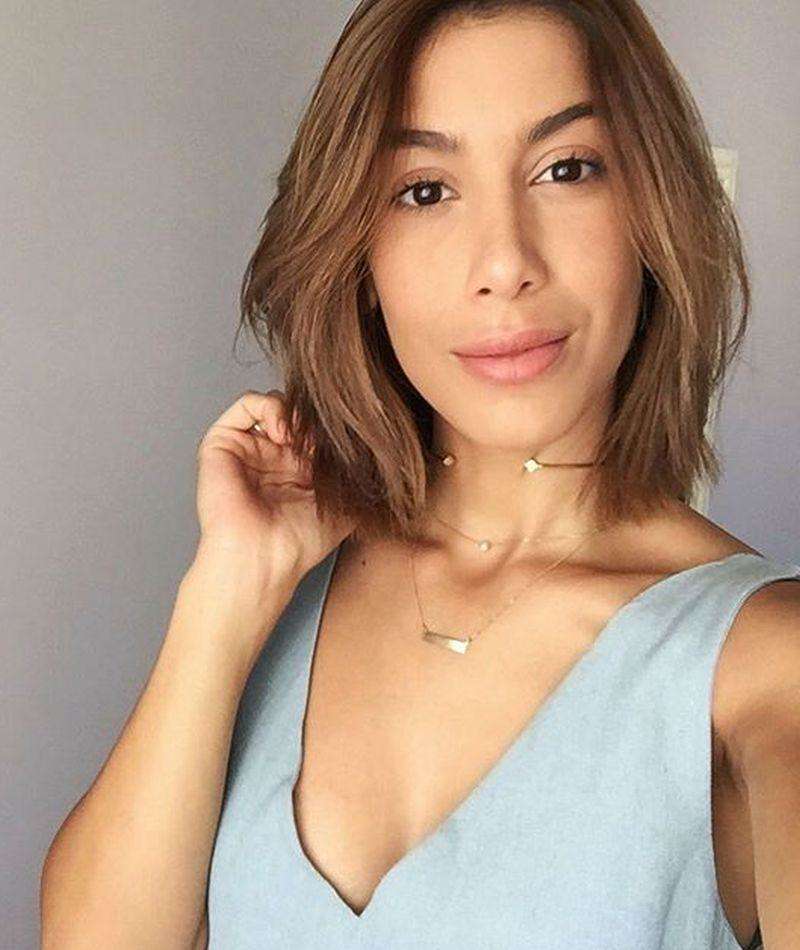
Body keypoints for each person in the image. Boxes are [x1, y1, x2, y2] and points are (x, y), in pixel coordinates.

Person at [40, 2, 800, 948]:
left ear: (655, 211)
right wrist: (228, 594)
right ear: (358, 254)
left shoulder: (765, 663)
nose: (504, 263)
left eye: (566, 170)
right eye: (426, 190)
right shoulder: (280, 596)